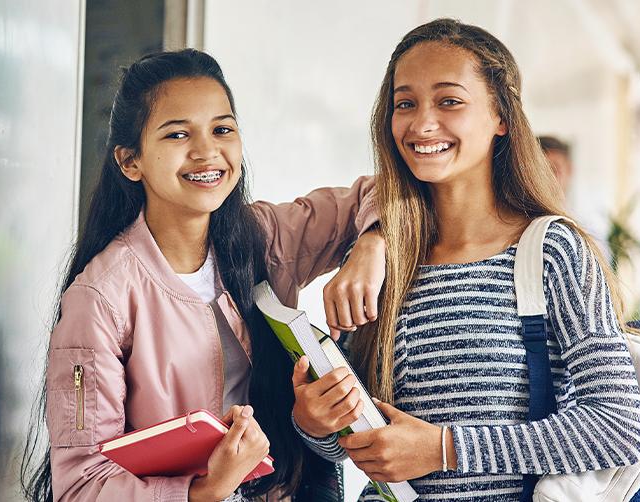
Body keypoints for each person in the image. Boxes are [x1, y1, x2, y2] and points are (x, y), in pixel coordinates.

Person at [291, 18, 640, 501]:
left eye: (449, 101)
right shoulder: (379, 262)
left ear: (501, 117)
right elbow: (360, 438)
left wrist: (444, 448)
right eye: (405, 104)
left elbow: (616, 429)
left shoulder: (551, 251)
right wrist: (316, 422)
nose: (421, 124)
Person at [20, 48, 385, 502]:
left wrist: (371, 244)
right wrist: (205, 490)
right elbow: (80, 486)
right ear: (130, 161)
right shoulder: (99, 297)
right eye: (177, 134)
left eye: (222, 129)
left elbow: (381, 192)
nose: (207, 151)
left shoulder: (265, 237)